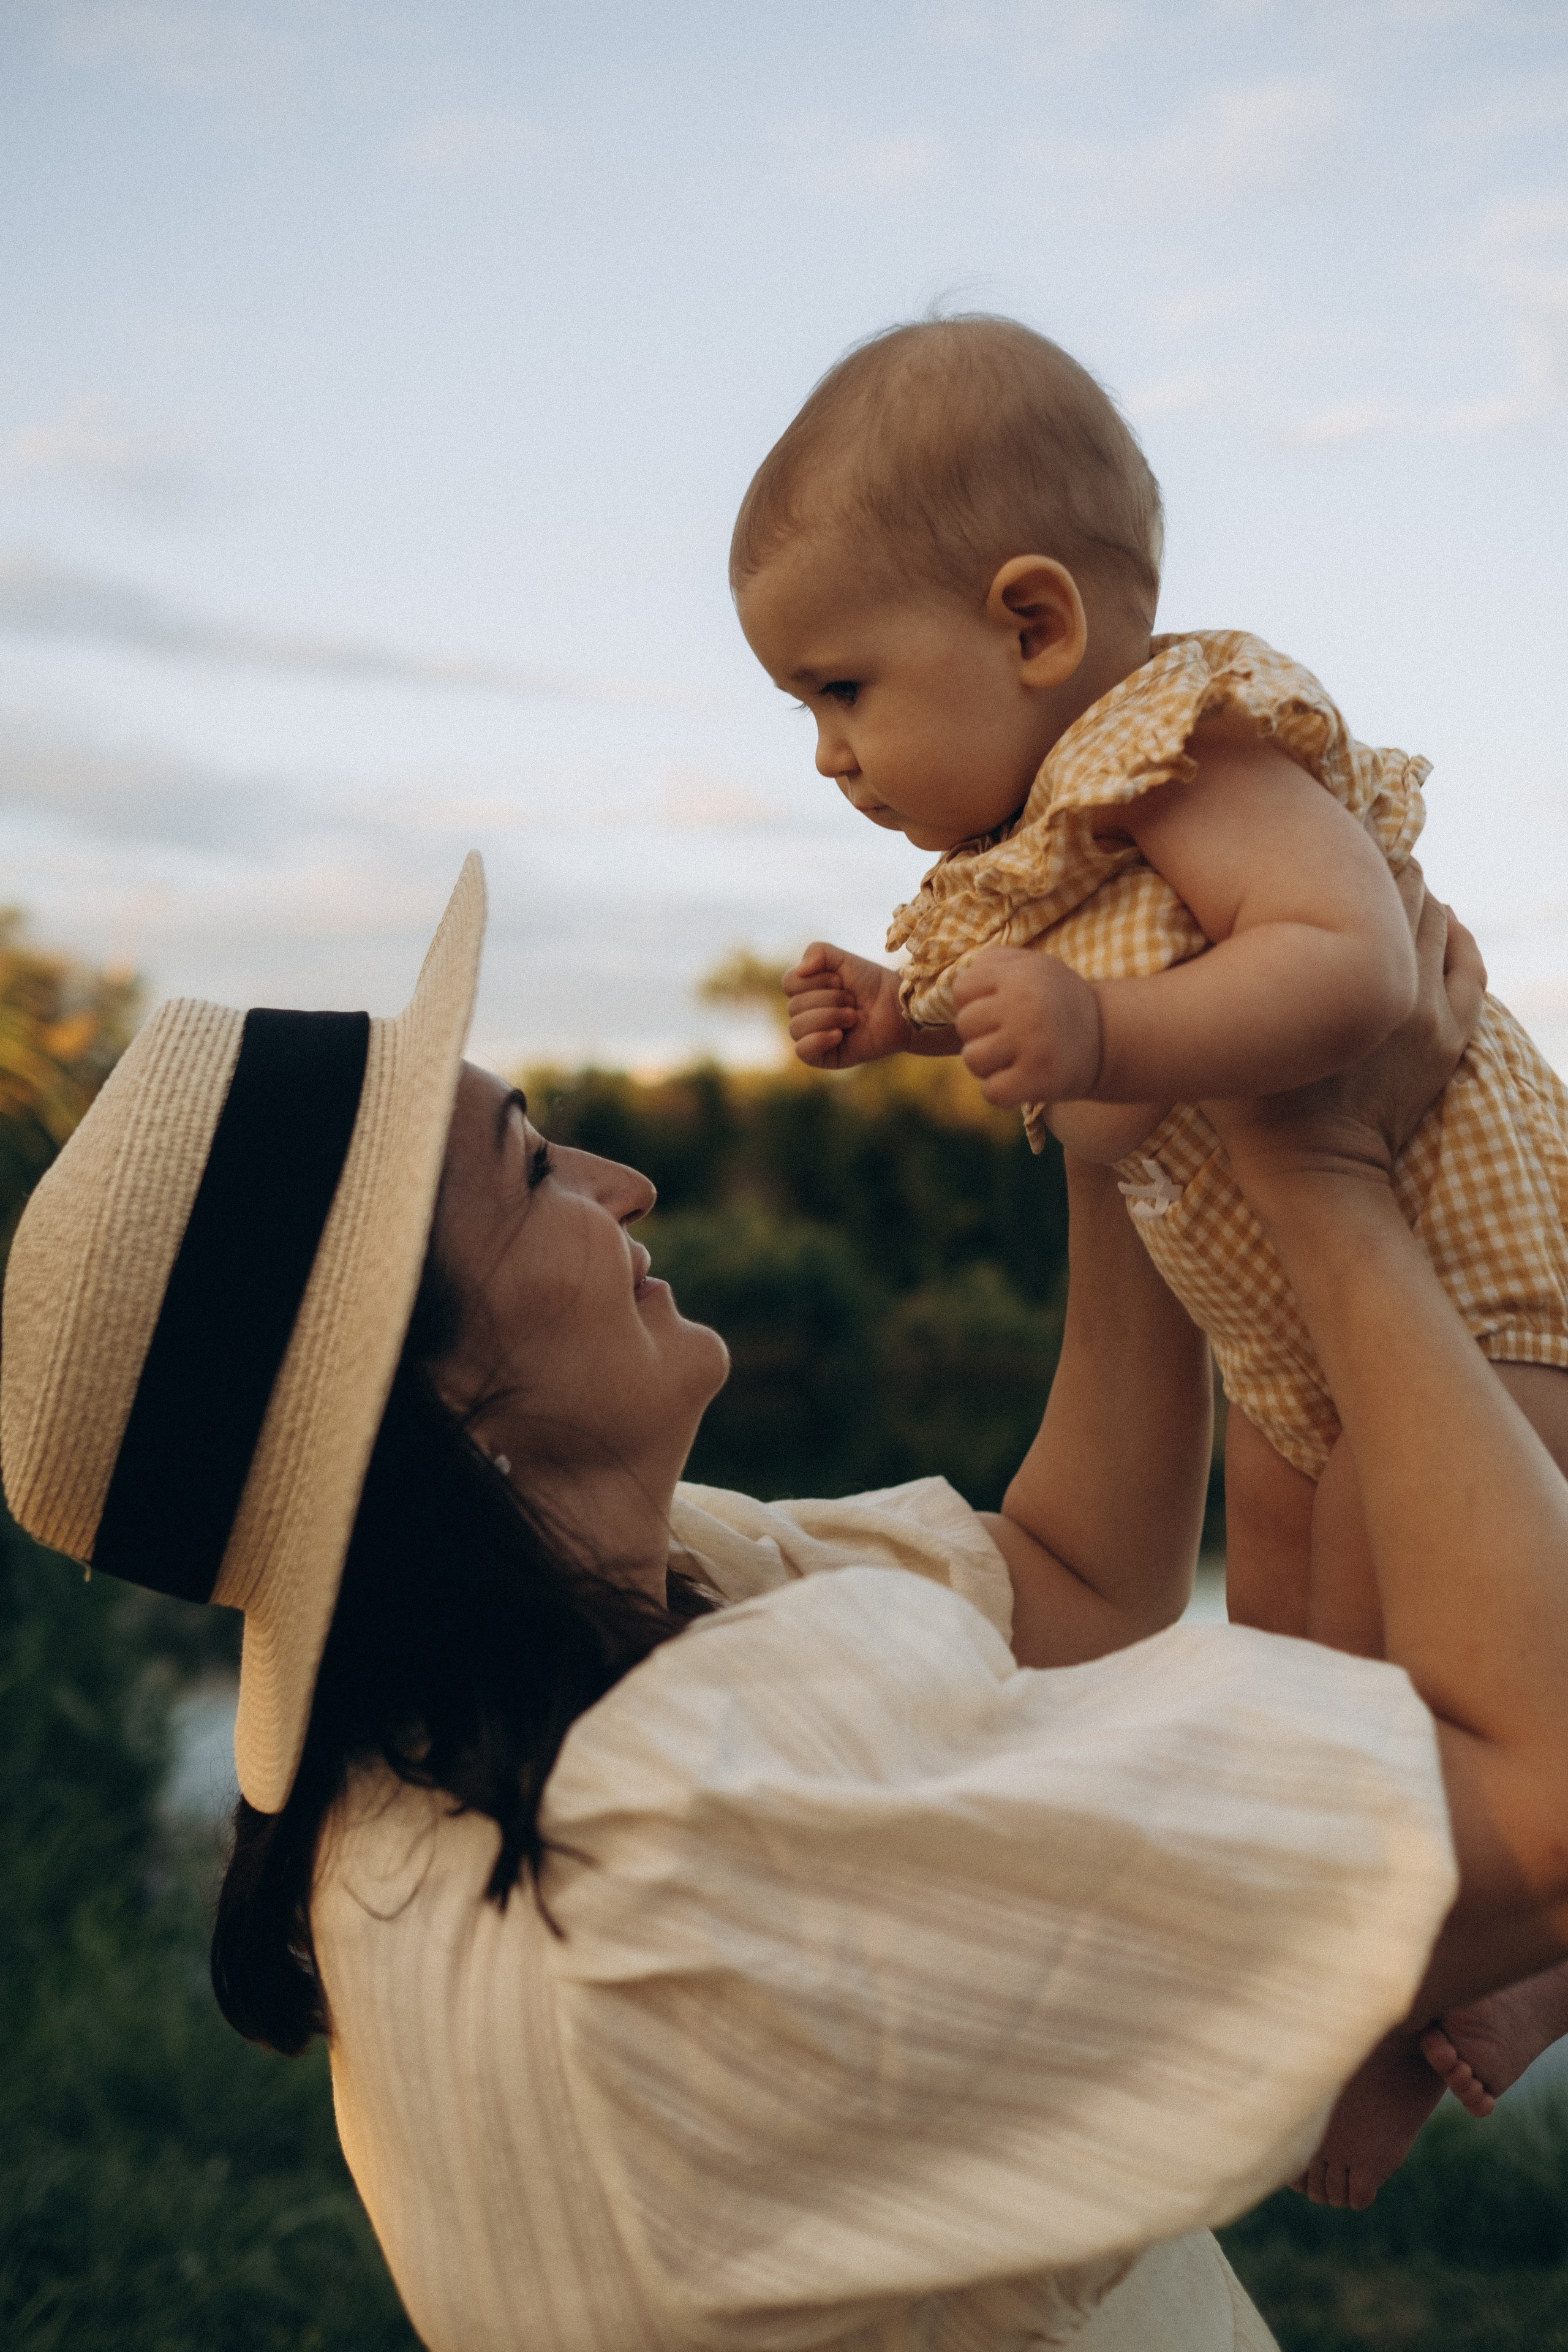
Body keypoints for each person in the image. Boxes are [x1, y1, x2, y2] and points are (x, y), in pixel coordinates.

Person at [3, 853, 1567, 2350]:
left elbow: (1069, 1582)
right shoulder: (677, 1850)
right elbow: (1542, 1802)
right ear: (440, 1398)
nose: (627, 1185)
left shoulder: (579, 1635)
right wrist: (1323, 1177)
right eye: (535, 1169)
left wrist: (1116, 1136)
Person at [733, 313, 1568, 1672]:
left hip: (1459, 1304)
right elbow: (1071, 982)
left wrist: (1099, 1033)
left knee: (1384, 1706)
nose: (829, 753)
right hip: (1286, 1340)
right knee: (1270, 1681)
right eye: (807, 710)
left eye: (843, 689)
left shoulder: (1180, 752)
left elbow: (1353, 956)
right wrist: (904, 1016)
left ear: (1034, 625)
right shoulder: (1048, 838)